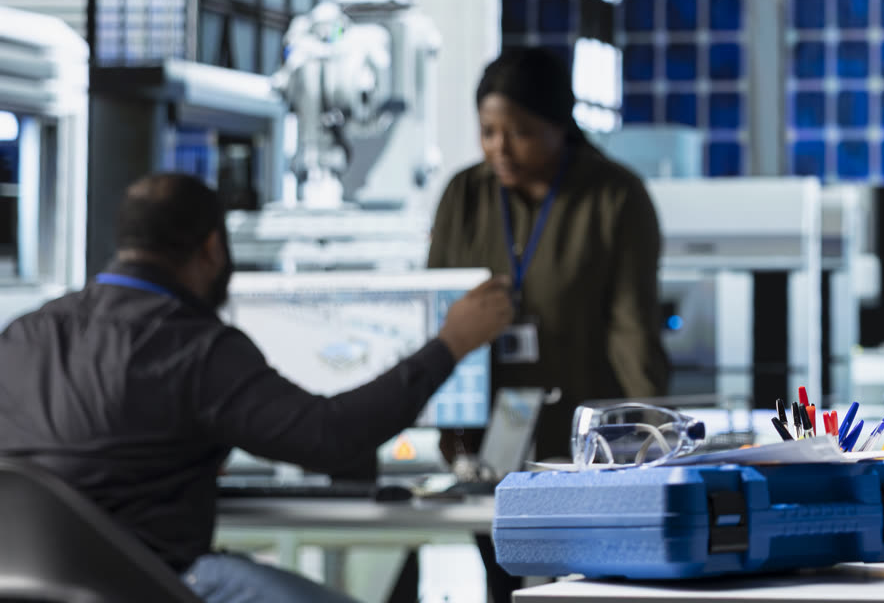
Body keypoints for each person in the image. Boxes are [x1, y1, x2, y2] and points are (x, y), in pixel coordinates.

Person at [0, 174, 514, 603]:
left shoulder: (23, 334)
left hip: (29, 587)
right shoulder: (194, 346)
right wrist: (450, 344)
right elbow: (330, 436)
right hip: (152, 585)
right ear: (212, 248)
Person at [428, 46, 670, 464]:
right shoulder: (464, 195)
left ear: (559, 125)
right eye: (488, 132)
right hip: (483, 438)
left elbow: (633, 331)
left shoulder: (615, 198)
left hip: (589, 437)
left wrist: (658, 440)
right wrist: (447, 425)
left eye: (519, 133)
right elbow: (439, 317)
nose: (500, 148)